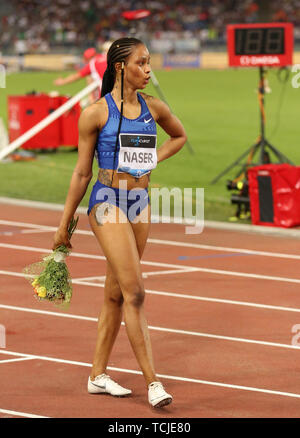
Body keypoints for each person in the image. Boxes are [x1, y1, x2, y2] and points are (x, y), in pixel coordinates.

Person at [52, 37, 187, 408]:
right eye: (142, 63)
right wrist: (65, 224)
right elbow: (81, 174)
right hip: (106, 202)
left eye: (149, 63)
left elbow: (180, 136)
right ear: (120, 67)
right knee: (136, 291)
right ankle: (153, 382)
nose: (149, 70)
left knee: (115, 294)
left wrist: (153, 158)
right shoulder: (96, 113)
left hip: (139, 203)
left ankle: (97, 375)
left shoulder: (154, 108)